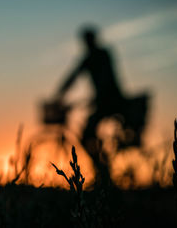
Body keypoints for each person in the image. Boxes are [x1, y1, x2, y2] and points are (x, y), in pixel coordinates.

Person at [54, 26, 127, 185]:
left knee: (87, 133)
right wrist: (60, 94)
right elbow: (72, 78)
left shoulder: (97, 56)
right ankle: (101, 168)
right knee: (90, 133)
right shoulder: (95, 56)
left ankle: (102, 171)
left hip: (109, 100)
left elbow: (103, 79)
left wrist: (58, 96)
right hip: (103, 99)